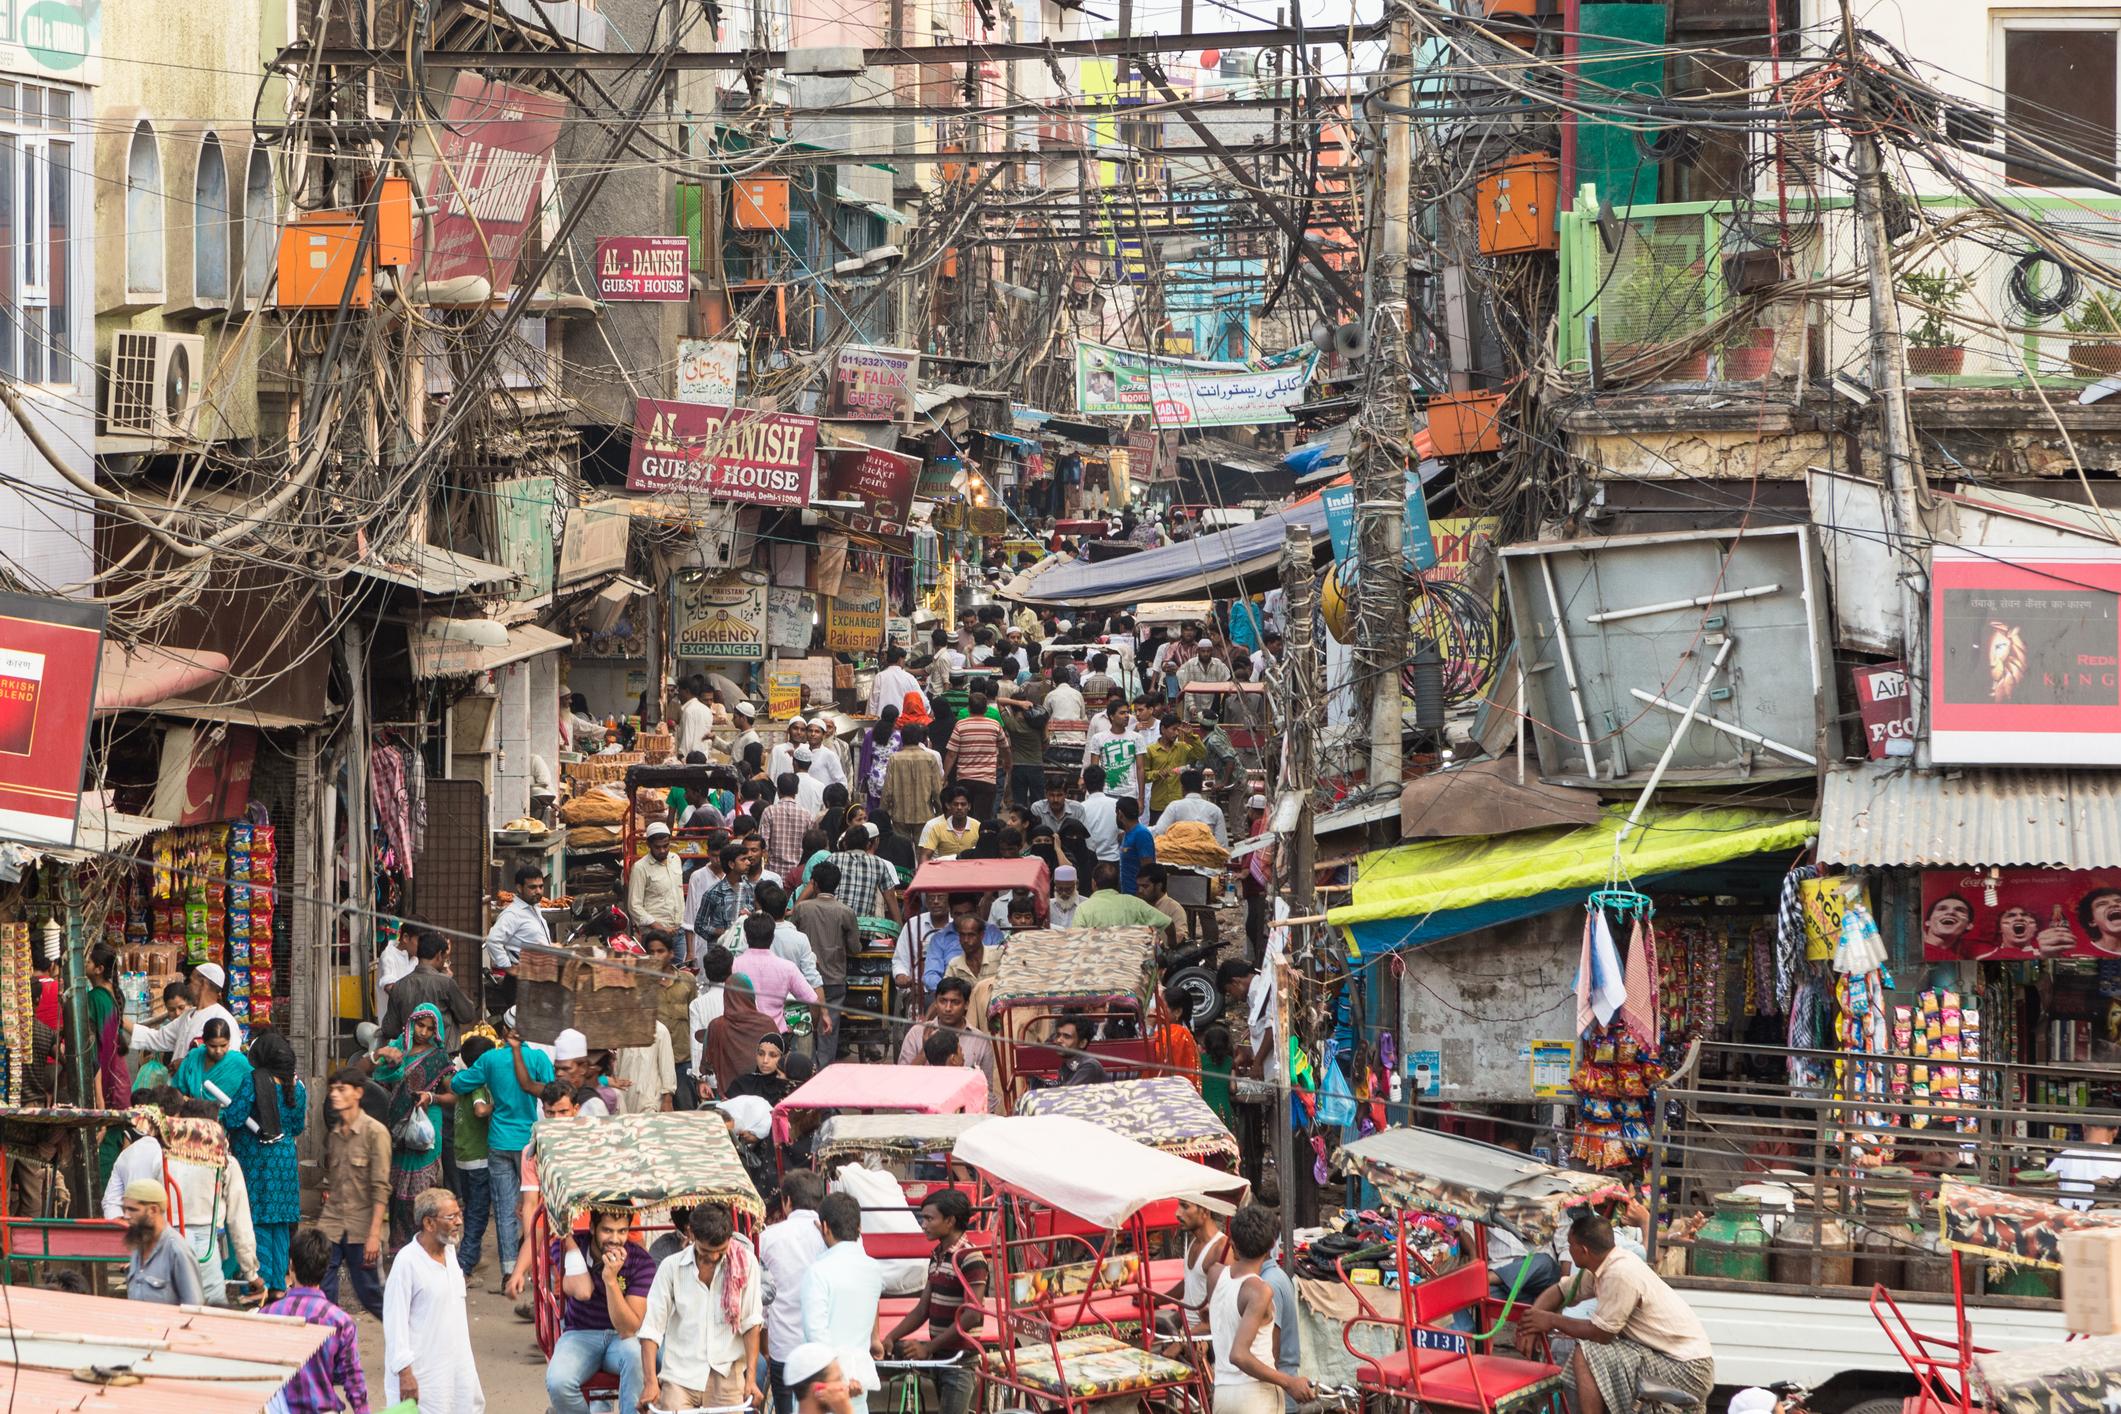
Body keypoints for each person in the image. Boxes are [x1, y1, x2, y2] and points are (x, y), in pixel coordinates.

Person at [1516, 1213, 1715, 1414]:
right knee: (1586, 1357)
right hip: (1668, 1357)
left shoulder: (1619, 1272)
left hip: (1686, 1368)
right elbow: (1560, 1291)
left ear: (1583, 1250)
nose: (1568, 1250)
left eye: (1570, 1245)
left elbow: (1600, 1334)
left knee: (1586, 1353)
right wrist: (1532, 1322)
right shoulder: (1604, 1264)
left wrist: (1550, 1320)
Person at [449, 1017, 555, 1295]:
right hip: (529, 1142)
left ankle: (510, 1272)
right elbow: (554, 1092)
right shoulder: (539, 1058)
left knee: (506, 1210)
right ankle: (536, 1271)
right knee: (534, 1207)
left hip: (498, 1141)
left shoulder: (490, 1060)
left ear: (505, 1031)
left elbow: (458, 1084)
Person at [640, 1201, 766, 1412]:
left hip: (727, 1373)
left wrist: (750, 1379)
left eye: (721, 1251)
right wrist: (650, 1382)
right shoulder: (670, 1267)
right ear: (691, 1234)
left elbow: (751, 1323)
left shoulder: (746, 1263)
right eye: (706, 1251)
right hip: (679, 1375)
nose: (714, 1257)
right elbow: (651, 1328)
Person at [884, 1189, 989, 1414]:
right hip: (941, 1357)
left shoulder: (971, 1257)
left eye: (930, 1218)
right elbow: (923, 1309)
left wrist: (928, 1347)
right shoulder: (937, 1255)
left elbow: (973, 1315)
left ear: (950, 1221)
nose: (924, 1224)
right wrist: (892, 1337)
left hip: (960, 1361)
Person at [383, 1188, 483, 1414]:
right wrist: (405, 1373)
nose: (458, 1222)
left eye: (459, 1214)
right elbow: (394, 1322)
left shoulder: (449, 1253)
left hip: (456, 1370)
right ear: (428, 1223)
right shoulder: (406, 1263)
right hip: (423, 1377)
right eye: (451, 1217)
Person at [548, 1208, 656, 1414]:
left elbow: (628, 1329)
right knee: (558, 1383)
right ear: (592, 1228)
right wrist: (569, 1241)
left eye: (622, 1231)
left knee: (635, 1354)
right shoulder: (573, 1246)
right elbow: (583, 1291)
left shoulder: (641, 1261)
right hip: (580, 1334)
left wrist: (611, 1280)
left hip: (621, 1339)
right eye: (607, 1230)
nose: (615, 1239)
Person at [1211, 1204, 1315, 1414]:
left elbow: (1217, 1311)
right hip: (1255, 1396)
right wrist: (1288, 1382)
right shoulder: (1260, 1291)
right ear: (1271, 1246)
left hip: (1222, 1393)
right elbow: (1239, 1355)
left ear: (1232, 1242)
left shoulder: (1214, 1274)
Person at [227, 1028, 307, 1296]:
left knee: (258, 1219)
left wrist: (219, 1114)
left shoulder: (254, 1081)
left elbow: (236, 1116)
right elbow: (296, 1127)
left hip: (258, 1159)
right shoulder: (297, 1086)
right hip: (284, 1159)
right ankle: (278, 1285)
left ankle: (259, 1282)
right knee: (281, 1222)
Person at [374, 1003, 455, 1253]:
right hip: (397, 1129)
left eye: (430, 1029)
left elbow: (453, 1095)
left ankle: (424, 1245)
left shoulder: (439, 1059)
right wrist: (384, 1058)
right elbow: (379, 1081)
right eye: (420, 1025)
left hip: (426, 1127)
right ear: (411, 1024)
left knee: (422, 1191)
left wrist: (431, 1098)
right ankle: (399, 1247)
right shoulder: (396, 1051)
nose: (424, 1032)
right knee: (396, 1190)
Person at [264, 1227, 370, 1414]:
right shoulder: (340, 1321)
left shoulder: (266, 1316)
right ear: (326, 1268)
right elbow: (353, 1380)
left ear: (291, 1266)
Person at [801, 1193, 886, 1414]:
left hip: (826, 1384)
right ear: (859, 1227)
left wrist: (839, 1378)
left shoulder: (818, 1271)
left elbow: (816, 1334)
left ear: (825, 1227)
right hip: (858, 1379)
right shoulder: (873, 1269)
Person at [320, 1066, 392, 1319]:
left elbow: (381, 1187)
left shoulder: (376, 1133)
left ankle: (410, 1346)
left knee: (371, 1294)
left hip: (363, 1227)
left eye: (342, 1090)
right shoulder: (335, 1135)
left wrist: (374, 1235)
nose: (335, 1095)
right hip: (332, 1223)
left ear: (358, 1093)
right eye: (332, 1091)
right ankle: (330, 1347)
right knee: (322, 1290)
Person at [761, 1171, 831, 1414]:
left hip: (784, 1346)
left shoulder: (768, 1238)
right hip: (826, 1347)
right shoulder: (834, 1236)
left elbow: (762, 1299)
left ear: (786, 1200)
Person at [794, 861, 860, 1066]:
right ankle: (822, 1072)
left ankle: (804, 1070)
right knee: (828, 1030)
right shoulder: (845, 911)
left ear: (814, 883)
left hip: (804, 979)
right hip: (833, 979)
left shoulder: (802, 909)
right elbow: (855, 947)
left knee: (802, 1026)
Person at [897, 976, 998, 1102]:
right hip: (920, 1114)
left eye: (955, 1002)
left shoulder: (980, 1041)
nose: (948, 1008)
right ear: (935, 1002)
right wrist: (924, 1052)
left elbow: (986, 1091)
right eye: (943, 1001)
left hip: (964, 1116)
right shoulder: (917, 1033)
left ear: (966, 1004)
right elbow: (902, 1082)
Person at [122, 961, 240, 1063]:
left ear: (203, 984)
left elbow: (228, 1064)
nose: (188, 986)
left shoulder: (224, 1019)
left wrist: (185, 1064)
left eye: (191, 981)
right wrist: (120, 1020)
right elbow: (158, 1038)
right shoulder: (188, 1015)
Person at [377, 930, 478, 1050]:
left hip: (410, 1056)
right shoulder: (446, 983)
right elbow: (467, 1015)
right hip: (442, 1056)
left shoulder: (399, 986)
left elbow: (390, 1029)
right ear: (439, 955)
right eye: (445, 958)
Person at [452, 1036, 495, 1276]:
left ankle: (471, 1254)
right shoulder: (479, 1087)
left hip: (463, 1154)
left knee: (470, 1207)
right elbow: (480, 1110)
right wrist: (499, 1105)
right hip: (479, 1156)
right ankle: (465, 1263)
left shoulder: (463, 1083)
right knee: (478, 1211)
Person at [123, 1177, 203, 1306]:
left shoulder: (177, 1250)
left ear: (153, 1210)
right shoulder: (138, 1246)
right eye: (124, 1209)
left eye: (133, 1210)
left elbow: (194, 1307)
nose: (126, 1216)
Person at [733, 913, 822, 1027]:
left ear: (745, 936)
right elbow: (813, 1001)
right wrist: (809, 1026)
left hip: (742, 1034)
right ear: (772, 937)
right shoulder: (788, 968)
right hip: (776, 1034)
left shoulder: (733, 966)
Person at [644, 932, 701, 1108]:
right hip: (654, 1062)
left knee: (687, 1112)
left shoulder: (687, 981)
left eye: (660, 951)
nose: (656, 956)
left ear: (671, 953)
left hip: (683, 1060)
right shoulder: (642, 983)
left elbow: (695, 1021)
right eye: (651, 952)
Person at [483, 866, 552, 1005]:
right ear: (519, 888)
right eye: (532, 887)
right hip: (520, 983)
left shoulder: (534, 909)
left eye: (540, 886)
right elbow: (492, 940)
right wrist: (508, 967)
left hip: (537, 979)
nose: (538, 891)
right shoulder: (513, 914)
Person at [943, 688, 1010, 821]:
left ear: (968, 708)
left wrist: (944, 776)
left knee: (965, 818)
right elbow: (1005, 748)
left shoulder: (960, 725)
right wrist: (1008, 763)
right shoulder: (995, 725)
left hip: (964, 779)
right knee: (983, 818)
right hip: (987, 780)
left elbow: (951, 754)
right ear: (986, 709)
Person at [822, 826, 902, 923]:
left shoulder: (833, 858)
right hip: (864, 928)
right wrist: (900, 930)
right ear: (868, 845)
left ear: (845, 844)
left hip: (835, 924)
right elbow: (890, 898)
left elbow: (815, 885)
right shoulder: (878, 863)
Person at [1171, 1197, 1228, 1332]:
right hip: (1187, 1333)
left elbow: (1224, 1309)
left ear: (1205, 1211)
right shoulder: (1194, 1242)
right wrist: (1153, 1300)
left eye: (1185, 1206)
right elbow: (1190, 1282)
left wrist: (1183, 1341)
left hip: (1204, 1340)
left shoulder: (1221, 1249)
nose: (1177, 1213)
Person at [1075, 861, 1178, 935]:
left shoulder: (1083, 908)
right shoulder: (1134, 903)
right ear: (1118, 883)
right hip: (1131, 963)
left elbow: (1076, 939)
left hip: (1095, 963)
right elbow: (1168, 923)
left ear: (1093, 883)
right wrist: (1171, 947)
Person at [882, 721, 946, 840]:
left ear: (902, 738)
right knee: (923, 852)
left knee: (902, 851)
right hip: (925, 814)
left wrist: (883, 812)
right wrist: (940, 812)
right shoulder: (930, 758)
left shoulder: (894, 759)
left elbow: (888, 791)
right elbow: (937, 790)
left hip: (899, 814)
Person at [630, 822, 690, 936]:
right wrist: (659, 927)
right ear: (648, 844)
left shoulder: (675, 859)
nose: (662, 850)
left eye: (666, 846)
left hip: (679, 928)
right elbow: (634, 906)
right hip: (655, 934)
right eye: (657, 847)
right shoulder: (640, 868)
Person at [2048, 1118, 2121, 1209]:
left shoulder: (2066, 1155)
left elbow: (2046, 1188)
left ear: (2084, 1127)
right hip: (2106, 1220)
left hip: (2067, 1218)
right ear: (2116, 1131)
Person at [1143, 714, 1204, 820]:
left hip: (1179, 801)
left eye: (1178, 730)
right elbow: (1143, 775)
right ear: (1163, 729)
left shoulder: (1182, 747)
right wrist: (1157, 774)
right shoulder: (1150, 750)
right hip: (1159, 804)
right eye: (1173, 729)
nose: (1176, 733)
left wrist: (1191, 736)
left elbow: (1201, 754)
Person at [691, 948, 733, 1094]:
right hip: (741, 1075)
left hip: (713, 1079)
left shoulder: (698, 1004)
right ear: (731, 969)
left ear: (707, 973)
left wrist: (700, 1078)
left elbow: (697, 1042)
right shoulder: (745, 999)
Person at [760, 774, 815, 883]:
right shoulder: (806, 815)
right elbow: (810, 846)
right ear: (797, 790)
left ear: (778, 790)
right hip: (797, 874)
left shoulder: (769, 811)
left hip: (773, 873)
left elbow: (763, 844)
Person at [1155, 767, 1230, 847]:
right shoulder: (1215, 810)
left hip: (1180, 855)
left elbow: (1159, 831)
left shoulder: (1174, 807)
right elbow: (1222, 843)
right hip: (1207, 855)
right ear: (1201, 788)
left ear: (1182, 788)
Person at [918, 786, 982, 864]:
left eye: (963, 804)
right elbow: (925, 855)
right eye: (955, 804)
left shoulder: (978, 826)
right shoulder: (937, 828)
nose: (959, 807)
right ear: (948, 806)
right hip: (944, 872)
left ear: (969, 806)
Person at [1178, 637, 1234, 721]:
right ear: (1198, 651)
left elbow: (1226, 684)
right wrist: (1192, 706)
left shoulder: (1218, 664)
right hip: (1195, 709)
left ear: (1212, 651)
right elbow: (1187, 689)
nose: (1206, 654)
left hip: (1213, 708)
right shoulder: (1190, 664)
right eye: (1203, 651)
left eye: (1208, 651)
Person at [871, 645, 926, 719]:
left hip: (882, 724)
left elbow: (872, 704)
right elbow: (923, 702)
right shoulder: (909, 678)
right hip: (903, 724)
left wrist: (869, 727)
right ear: (900, 660)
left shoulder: (879, 677)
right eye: (904, 659)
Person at [1116, 797, 1156, 895]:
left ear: (1120, 814)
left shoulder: (1141, 834)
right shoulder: (1126, 834)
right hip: (1127, 894)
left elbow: (1148, 868)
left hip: (1138, 896)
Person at [1139, 864, 1188, 936]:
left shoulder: (1174, 909)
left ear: (1159, 886)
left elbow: (1180, 937)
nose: (1140, 890)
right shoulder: (1137, 905)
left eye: (1145, 886)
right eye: (1139, 886)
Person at [678, 674, 716, 759]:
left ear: (686, 691)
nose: (678, 695)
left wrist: (680, 757)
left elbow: (686, 742)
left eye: (679, 691)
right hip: (703, 758)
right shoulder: (706, 710)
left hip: (691, 761)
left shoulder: (689, 711)